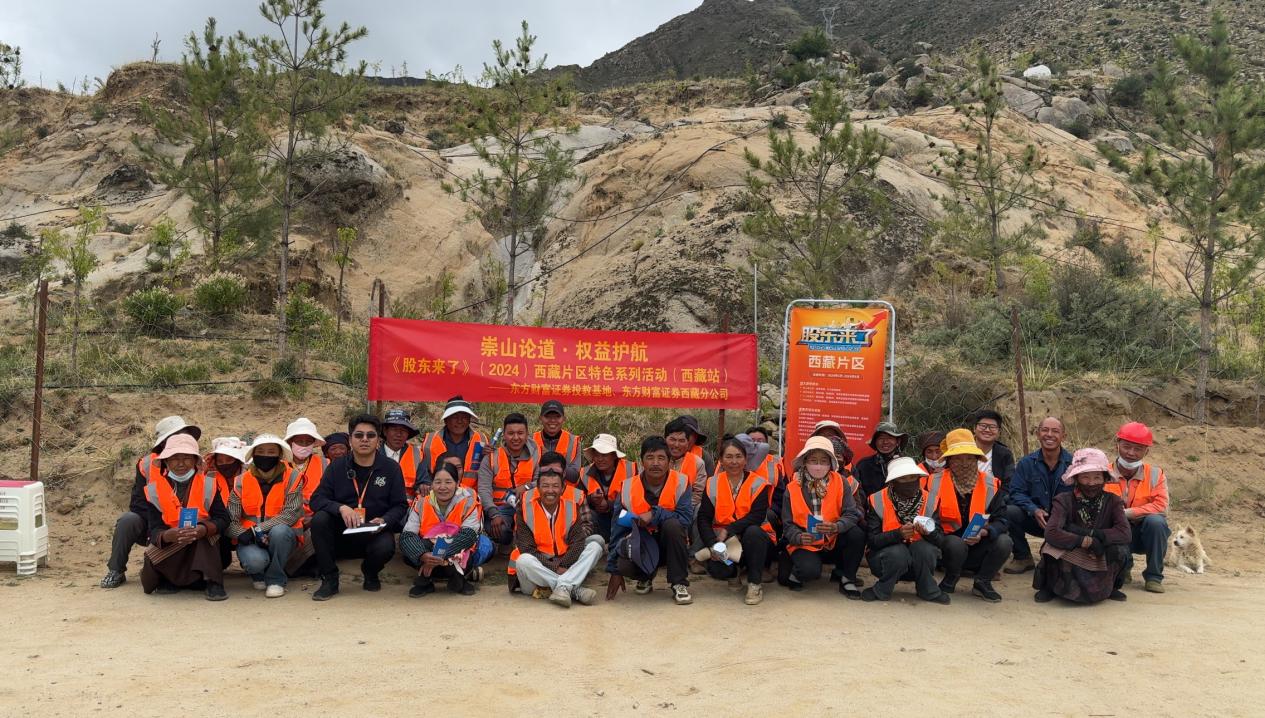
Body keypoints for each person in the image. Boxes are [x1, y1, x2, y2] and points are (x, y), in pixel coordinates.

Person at [308, 414, 408, 601]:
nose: (364, 439)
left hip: (374, 531)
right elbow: (317, 499)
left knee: (385, 546)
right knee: (320, 519)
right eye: (359, 435)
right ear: (350, 440)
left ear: (378, 440)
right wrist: (340, 508)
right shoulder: (336, 467)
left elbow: (400, 505)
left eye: (371, 435)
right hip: (342, 532)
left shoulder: (391, 468)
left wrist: (385, 520)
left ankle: (370, 572)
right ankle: (330, 579)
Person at [100, 415, 201, 589]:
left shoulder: (198, 461)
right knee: (128, 520)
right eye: (175, 436)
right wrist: (158, 529)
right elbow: (138, 504)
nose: (180, 440)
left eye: (183, 435)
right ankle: (116, 570)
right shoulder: (146, 465)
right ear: (163, 443)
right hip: (154, 524)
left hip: (190, 524)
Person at [605, 436, 695, 605]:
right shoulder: (627, 487)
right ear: (642, 461)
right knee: (623, 564)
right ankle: (645, 577)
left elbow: (685, 519)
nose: (655, 463)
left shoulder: (681, 482)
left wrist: (654, 514)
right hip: (642, 545)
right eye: (650, 457)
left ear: (669, 462)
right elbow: (617, 529)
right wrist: (614, 570)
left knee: (673, 525)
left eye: (661, 458)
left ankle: (679, 583)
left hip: (671, 547)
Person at [139, 433, 230, 600]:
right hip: (174, 542)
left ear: (195, 461)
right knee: (154, 553)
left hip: (202, 542)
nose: (180, 463)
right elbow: (153, 528)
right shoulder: (153, 489)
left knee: (208, 533)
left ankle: (213, 581)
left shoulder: (208, 483)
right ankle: (169, 580)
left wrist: (203, 529)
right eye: (174, 458)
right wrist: (167, 535)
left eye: (187, 458)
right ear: (166, 461)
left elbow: (223, 519)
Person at [1034, 448, 1131, 604]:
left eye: (1097, 477)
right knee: (1050, 548)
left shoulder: (1113, 501)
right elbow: (1052, 532)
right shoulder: (1063, 500)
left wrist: (1098, 538)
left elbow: (1124, 533)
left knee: (1122, 550)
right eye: (1085, 477)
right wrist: (1086, 541)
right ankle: (1049, 586)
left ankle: (1111, 586)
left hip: (1100, 550)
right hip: (1072, 547)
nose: (1091, 483)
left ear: (1105, 478)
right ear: (1076, 478)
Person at [928, 429, 1011, 602]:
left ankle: (983, 582)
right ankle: (951, 578)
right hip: (946, 549)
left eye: (969, 458)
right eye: (957, 459)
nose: (964, 464)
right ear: (949, 461)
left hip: (979, 546)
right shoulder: (932, 482)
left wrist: (986, 531)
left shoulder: (991, 484)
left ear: (977, 459)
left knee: (1005, 541)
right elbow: (928, 520)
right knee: (955, 544)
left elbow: (1002, 520)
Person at [778, 436, 866, 598]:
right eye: (813, 460)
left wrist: (836, 526)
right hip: (806, 543)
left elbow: (851, 513)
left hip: (833, 540)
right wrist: (799, 537)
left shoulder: (841, 482)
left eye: (823, 461)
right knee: (807, 572)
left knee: (857, 534)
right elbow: (787, 523)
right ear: (805, 461)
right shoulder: (792, 487)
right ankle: (795, 567)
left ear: (831, 463)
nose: (818, 465)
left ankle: (848, 579)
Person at [512, 464, 605, 608]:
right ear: (538, 489)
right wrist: (556, 568)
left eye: (555, 486)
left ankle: (563, 587)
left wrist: (562, 565)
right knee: (523, 560)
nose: (550, 490)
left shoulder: (571, 507)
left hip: (564, 562)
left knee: (595, 546)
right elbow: (527, 548)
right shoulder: (525, 509)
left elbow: (578, 542)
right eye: (545, 486)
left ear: (562, 489)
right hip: (536, 575)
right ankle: (573, 589)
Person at [697, 438, 776, 605]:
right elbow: (703, 517)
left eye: (738, 456)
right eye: (729, 457)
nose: (734, 461)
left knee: (753, 532)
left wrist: (729, 529)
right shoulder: (712, 483)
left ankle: (754, 583)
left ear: (746, 459)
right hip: (726, 543)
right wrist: (712, 544)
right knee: (717, 569)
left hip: (755, 542)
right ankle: (733, 575)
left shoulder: (758, 483)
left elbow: (757, 516)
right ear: (721, 460)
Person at [226, 435, 304, 598]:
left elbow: (290, 514)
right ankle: (258, 574)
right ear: (253, 454)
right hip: (250, 538)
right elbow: (230, 519)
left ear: (279, 455)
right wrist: (241, 534)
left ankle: (276, 579)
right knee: (255, 561)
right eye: (260, 451)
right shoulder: (241, 480)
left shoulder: (293, 477)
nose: (265, 455)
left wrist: (258, 530)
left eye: (271, 452)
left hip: (280, 536)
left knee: (280, 531)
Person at [863, 457, 949, 604]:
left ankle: (928, 590)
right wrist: (898, 534)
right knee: (898, 552)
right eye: (902, 478)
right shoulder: (877, 499)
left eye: (912, 477)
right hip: (886, 561)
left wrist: (929, 533)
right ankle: (882, 589)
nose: (909, 482)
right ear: (893, 482)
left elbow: (941, 540)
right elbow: (872, 540)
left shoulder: (931, 500)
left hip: (919, 563)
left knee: (924, 549)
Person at [400, 463, 482, 597]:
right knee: (410, 549)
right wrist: (423, 555)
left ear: (457, 483)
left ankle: (456, 577)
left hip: (455, 550)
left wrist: (439, 554)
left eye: (448, 482)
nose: (442, 487)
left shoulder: (468, 500)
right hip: (428, 550)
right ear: (431, 484)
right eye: (437, 482)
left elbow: (469, 535)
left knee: (467, 547)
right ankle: (427, 581)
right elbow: (407, 534)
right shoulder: (422, 501)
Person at [1108, 422, 1170, 594]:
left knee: (1157, 522)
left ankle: (1154, 577)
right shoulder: (1103, 472)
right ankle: (1123, 567)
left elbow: (1161, 506)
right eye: (1126, 447)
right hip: (1116, 532)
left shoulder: (1155, 474)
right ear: (1117, 444)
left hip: (1145, 534)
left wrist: (1128, 513)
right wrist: (1119, 516)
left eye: (1138, 449)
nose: (1131, 453)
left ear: (1146, 452)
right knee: (1111, 520)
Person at [1005, 416, 1073, 574]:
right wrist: (1033, 509)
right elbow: (1016, 492)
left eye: (1055, 431)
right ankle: (1022, 557)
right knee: (1009, 511)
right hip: (1035, 520)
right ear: (1037, 434)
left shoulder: (1073, 464)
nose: (1049, 435)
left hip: (1064, 523)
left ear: (1063, 436)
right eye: (1045, 430)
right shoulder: (1026, 463)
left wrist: (1060, 516)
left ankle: (1062, 553)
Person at [478, 412, 539, 548]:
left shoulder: (538, 455)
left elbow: (543, 481)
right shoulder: (491, 457)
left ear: (527, 434)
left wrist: (527, 487)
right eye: (511, 433)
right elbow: (483, 488)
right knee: (501, 532)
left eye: (520, 433)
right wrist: (493, 513)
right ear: (504, 435)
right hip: (500, 508)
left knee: (535, 532)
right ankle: (507, 543)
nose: (516, 438)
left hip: (529, 507)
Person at [416, 396, 489, 492]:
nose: (460, 421)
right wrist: (424, 483)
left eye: (464, 417)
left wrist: (490, 455)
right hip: (439, 493)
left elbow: (488, 471)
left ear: (469, 419)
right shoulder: (430, 440)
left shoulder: (481, 439)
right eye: (455, 417)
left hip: (470, 494)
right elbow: (423, 468)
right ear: (446, 420)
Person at [580, 434, 637, 543]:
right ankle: (593, 544)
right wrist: (591, 499)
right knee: (587, 515)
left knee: (630, 517)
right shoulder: (583, 473)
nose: (600, 459)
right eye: (596, 455)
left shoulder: (632, 470)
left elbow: (637, 501)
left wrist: (609, 505)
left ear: (614, 455)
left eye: (604, 455)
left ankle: (623, 543)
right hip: (598, 520)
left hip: (622, 519)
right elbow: (577, 501)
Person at [203, 436, 246, 571]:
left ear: (238, 460)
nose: (225, 464)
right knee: (222, 562)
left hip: (246, 529)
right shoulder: (208, 478)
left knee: (252, 562)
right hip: (220, 530)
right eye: (220, 461)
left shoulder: (251, 477)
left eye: (229, 460)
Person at [854, 421, 910, 497]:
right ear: (875, 442)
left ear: (898, 441)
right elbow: (857, 494)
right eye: (881, 438)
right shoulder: (864, 465)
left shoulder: (907, 465)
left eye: (890, 438)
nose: (885, 442)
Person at [533, 400, 582, 485]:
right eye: (547, 416)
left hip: (566, 491)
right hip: (536, 490)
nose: (552, 420)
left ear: (564, 419)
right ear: (540, 418)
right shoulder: (530, 440)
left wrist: (551, 458)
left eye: (557, 416)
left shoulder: (574, 441)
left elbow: (574, 476)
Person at [284, 418, 327, 512]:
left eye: (309, 441)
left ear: (313, 443)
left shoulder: (325, 463)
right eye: (299, 441)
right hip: (287, 514)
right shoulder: (280, 465)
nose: (304, 445)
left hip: (317, 513)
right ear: (291, 442)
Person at [380, 408, 422, 500]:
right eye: (394, 429)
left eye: (403, 430)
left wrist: (423, 485)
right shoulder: (373, 453)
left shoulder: (417, 454)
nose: (399, 434)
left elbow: (424, 480)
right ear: (385, 431)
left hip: (408, 506)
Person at [971, 409, 1016, 491]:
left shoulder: (1004, 454)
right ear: (974, 428)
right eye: (983, 426)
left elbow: (1008, 484)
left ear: (999, 432)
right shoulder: (963, 450)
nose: (987, 430)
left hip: (994, 497)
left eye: (992, 427)